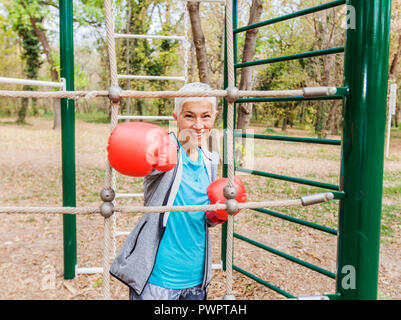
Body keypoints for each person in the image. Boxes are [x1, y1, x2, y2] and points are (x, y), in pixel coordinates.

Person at [110, 82, 221, 300]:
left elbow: (203, 218)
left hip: (196, 280)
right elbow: (145, 159)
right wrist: (152, 152)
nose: (199, 125)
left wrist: (217, 215)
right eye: (189, 116)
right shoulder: (165, 149)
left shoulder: (210, 161)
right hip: (157, 280)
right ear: (176, 116)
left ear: (214, 117)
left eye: (206, 116)